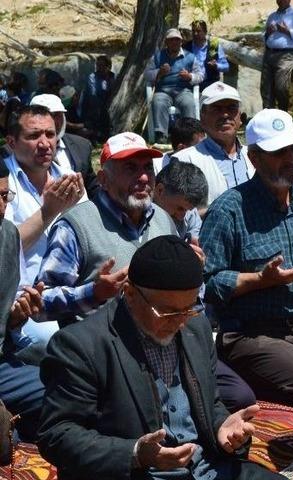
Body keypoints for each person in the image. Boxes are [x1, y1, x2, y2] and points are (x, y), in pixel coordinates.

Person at [37, 236, 281, 480]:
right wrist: (136, 454)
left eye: (189, 308)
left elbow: (209, 402)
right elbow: (57, 434)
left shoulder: (196, 327)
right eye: (166, 311)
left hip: (206, 469)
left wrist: (222, 427)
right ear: (130, 293)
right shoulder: (81, 346)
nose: (179, 320)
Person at [200, 109, 293, 407]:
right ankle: (240, 376)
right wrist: (260, 280)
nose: (291, 158)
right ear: (255, 158)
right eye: (279, 152)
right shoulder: (230, 210)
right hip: (253, 334)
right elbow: (206, 282)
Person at [36, 132, 174, 326]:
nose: (143, 177)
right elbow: (41, 303)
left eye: (148, 168)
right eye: (130, 168)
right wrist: (94, 293)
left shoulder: (163, 220)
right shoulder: (75, 227)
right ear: (103, 179)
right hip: (96, 351)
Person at [3, 105, 86, 356]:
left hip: (70, 291)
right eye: (33, 136)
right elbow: (4, 250)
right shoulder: (4, 183)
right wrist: (49, 211)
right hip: (24, 303)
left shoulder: (68, 177)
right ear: (11, 142)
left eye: (50, 134)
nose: (45, 143)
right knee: (55, 345)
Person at [0, 160, 45, 454]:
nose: (1, 206)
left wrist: (16, 317)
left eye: (5, 196)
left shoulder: (7, 236)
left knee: (59, 391)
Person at [171, 81, 254, 208]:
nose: (225, 115)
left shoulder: (255, 155)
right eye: (217, 109)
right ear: (202, 117)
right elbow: (179, 212)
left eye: (231, 108)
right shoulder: (185, 160)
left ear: (240, 117)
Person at [30, 93, 98, 197]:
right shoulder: (18, 152)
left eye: (58, 115)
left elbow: (91, 185)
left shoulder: (82, 146)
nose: (54, 121)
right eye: (48, 115)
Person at [145, 28, 204, 144]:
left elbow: (200, 75)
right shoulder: (157, 57)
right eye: (172, 40)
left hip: (183, 90)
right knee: (158, 101)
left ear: (181, 42)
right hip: (163, 91)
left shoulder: (190, 57)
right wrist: (159, 72)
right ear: (166, 42)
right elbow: (147, 75)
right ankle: (161, 135)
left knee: (189, 102)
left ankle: (190, 134)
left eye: (177, 40)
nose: (175, 42)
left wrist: (189, 76)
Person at [260, 0, 293, 110]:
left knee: (281, 87)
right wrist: (267, 32)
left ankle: (283, 115)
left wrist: (287, 31)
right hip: (269, 54)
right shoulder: (272, 16)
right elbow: (263, 37)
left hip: (285, 55)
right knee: (265, 89)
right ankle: (268, 117)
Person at [154, 160, 208, 241]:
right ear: (160, 191)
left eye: (187, 210)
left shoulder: (190, 213)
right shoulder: (138, 215)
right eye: (179, 208)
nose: (181, 217)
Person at [185, 20, 230, 90]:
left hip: (211, 84)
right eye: (193, 31)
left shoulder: (214, 47)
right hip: (190, 84)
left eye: (198, 31)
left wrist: (216, 66)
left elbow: (226, 67)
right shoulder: (186, 47)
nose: (195, 34)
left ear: (205, 32)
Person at [81, 55, 115, 142]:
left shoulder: (112, 77)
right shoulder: (92, 77)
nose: (99, 68)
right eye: (98, 66)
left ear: (109, 67)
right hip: (94, 105)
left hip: (108, 104)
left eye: (102, 66)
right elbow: (93, 94)